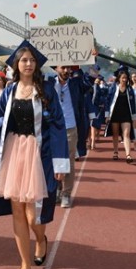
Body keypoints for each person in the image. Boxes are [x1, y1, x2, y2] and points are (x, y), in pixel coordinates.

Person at [0, 41, 69, 269]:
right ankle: (24, 262)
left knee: (34, 216)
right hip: (13, 152)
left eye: (32, 60)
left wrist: (60, 162)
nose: (28, 63)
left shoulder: (46, 90)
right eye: (24, 60)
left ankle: (41, 239)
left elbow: (58, 125)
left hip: (38, 152)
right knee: (18, 211)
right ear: (16, 65)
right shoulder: (9, 92)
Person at [48, 64, 91, 208]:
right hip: (52, 128)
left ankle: (66, 193)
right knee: (52, 160)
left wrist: (91, 59)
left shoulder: (76, 84)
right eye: (63, 68)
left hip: (71, 127)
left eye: (69, 68)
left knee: (69, 161)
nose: (66, 71)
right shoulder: (48, 83)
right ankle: (56, 189)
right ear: (56, 68)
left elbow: (90, 80)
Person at [104, 66, 136, 164]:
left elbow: (133, 103)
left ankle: (128, 155)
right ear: (119, 78)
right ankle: (115, 151)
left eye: (126, 78)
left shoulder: (129, 89)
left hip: (126, 115)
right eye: (123, 78)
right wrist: (107, 115)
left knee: (126, 134)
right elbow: (108, 100)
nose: (124, 80)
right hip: (115, 114)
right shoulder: (113, 88)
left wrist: (134, 117)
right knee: (115, 134)